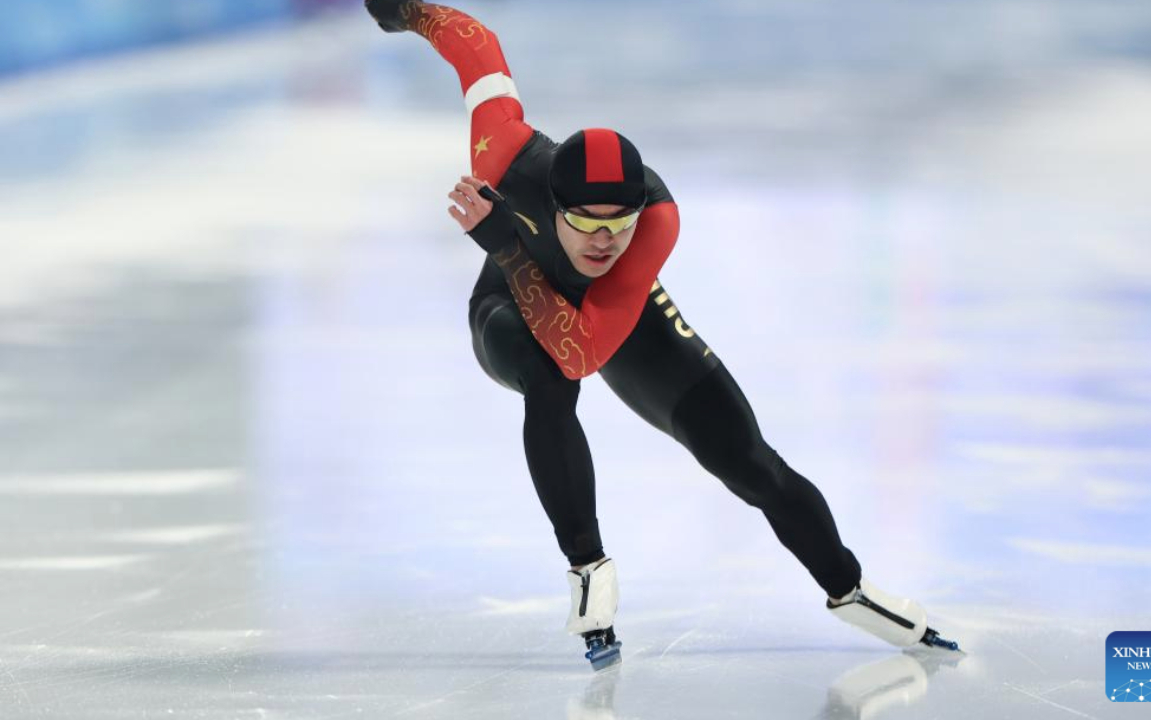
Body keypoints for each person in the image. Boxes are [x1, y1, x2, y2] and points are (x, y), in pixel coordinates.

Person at [364, 0, 960, 669]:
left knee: (749, 460)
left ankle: (851, 590)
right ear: (553, 206)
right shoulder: (501, 150)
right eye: (585, 224)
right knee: (547, 378)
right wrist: (411, 12)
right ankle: (589, 569)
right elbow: (477, 46)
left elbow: (586, 349)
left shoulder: (656, 224)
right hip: (506, 305)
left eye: (618, 225)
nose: (602, 242)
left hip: (606, 310)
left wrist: (506, 242)